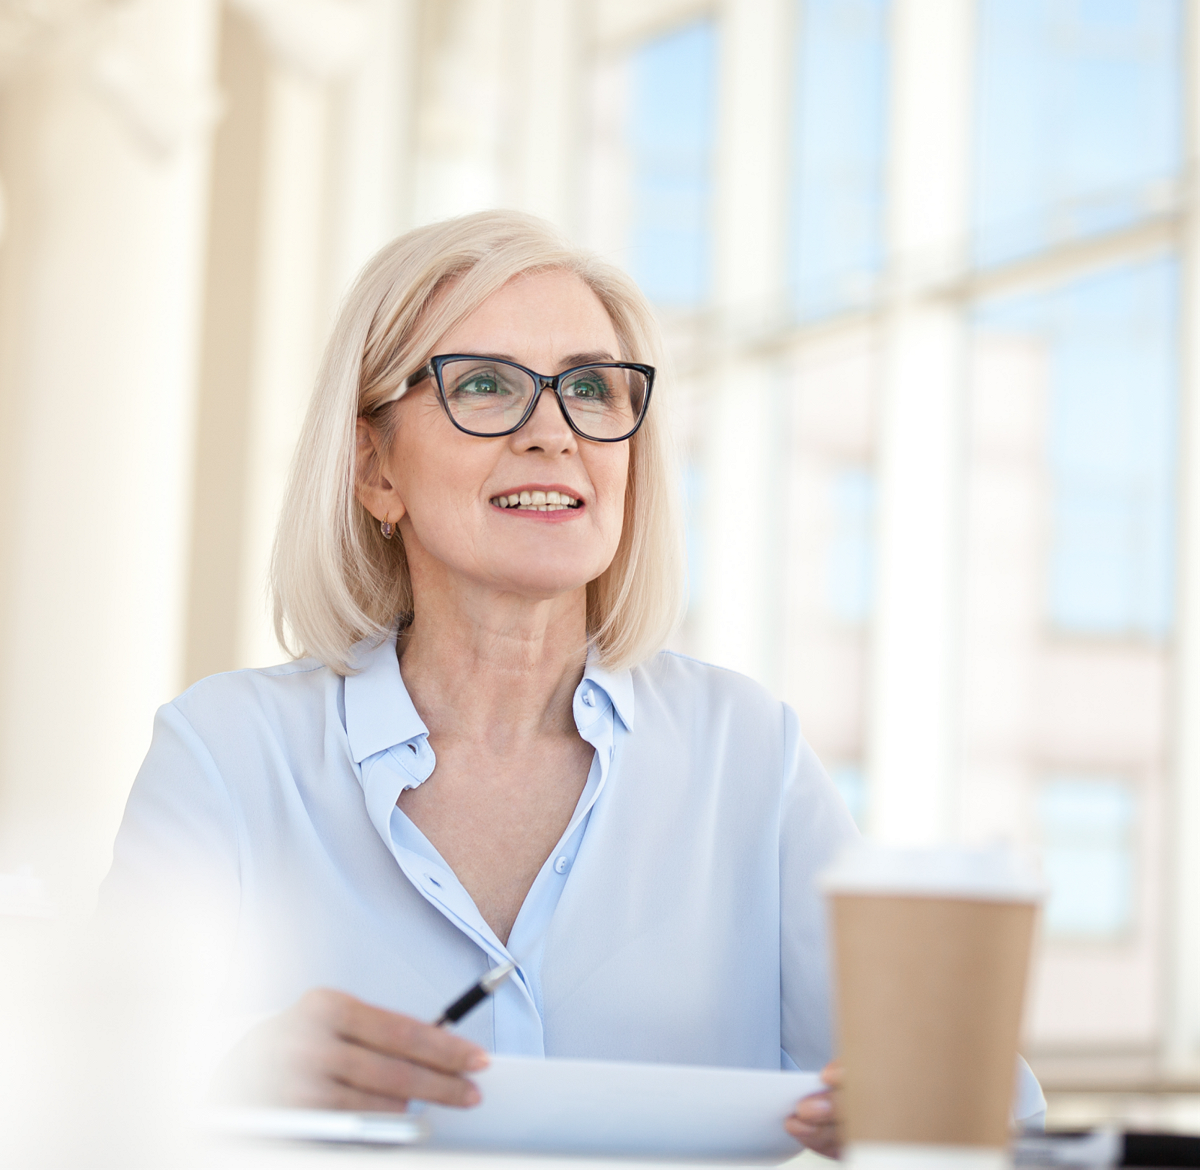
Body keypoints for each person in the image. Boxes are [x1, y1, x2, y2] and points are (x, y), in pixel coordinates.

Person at [102, 210, 1042, 1157]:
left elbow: (986, 1114)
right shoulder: (224, 752)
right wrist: (230, 1075)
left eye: (591, 390)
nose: (553, 434)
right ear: (374, 467)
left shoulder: (747, 752)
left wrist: (918, 1113)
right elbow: (88, 1100)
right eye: (483, 385)